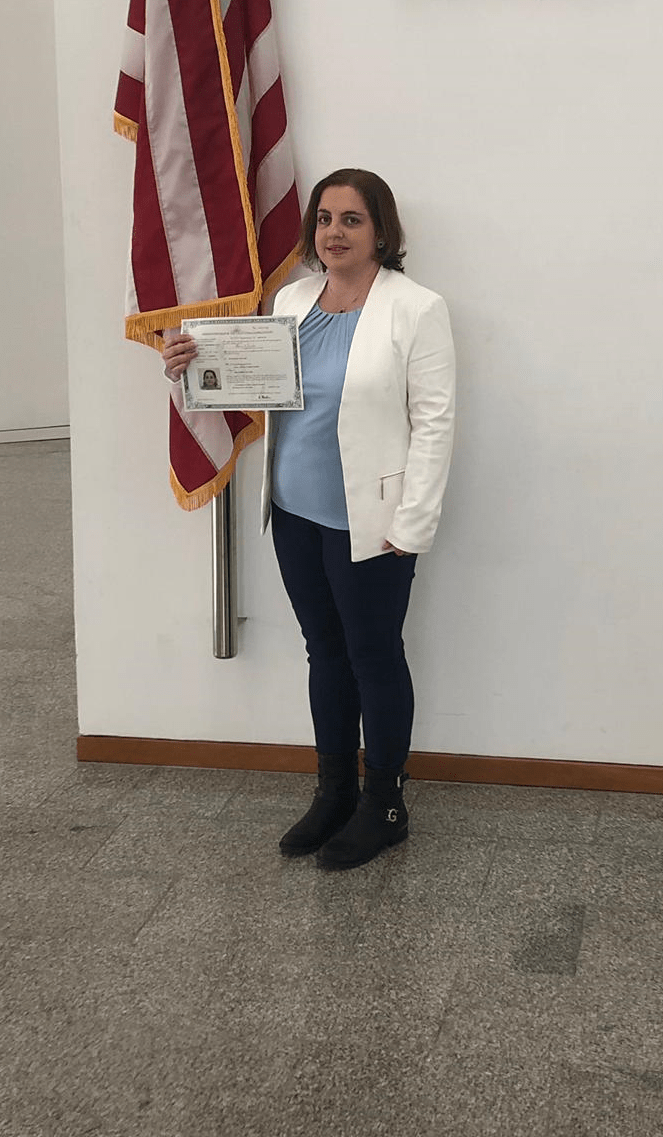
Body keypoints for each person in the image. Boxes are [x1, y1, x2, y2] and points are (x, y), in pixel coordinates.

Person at [163, 168, 455, 872]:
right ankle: (334, 793)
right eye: (324, 218)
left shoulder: (416, 308)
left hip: (373, 524)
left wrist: (409, 525)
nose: (334, 232)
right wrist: (186, 367)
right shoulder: (291, 299)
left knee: (373, 656)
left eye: (351, 220)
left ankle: (384, 805)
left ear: (380, 231)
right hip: (293, 514)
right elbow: (249, 389)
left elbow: (435, 424)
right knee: (324, 652)